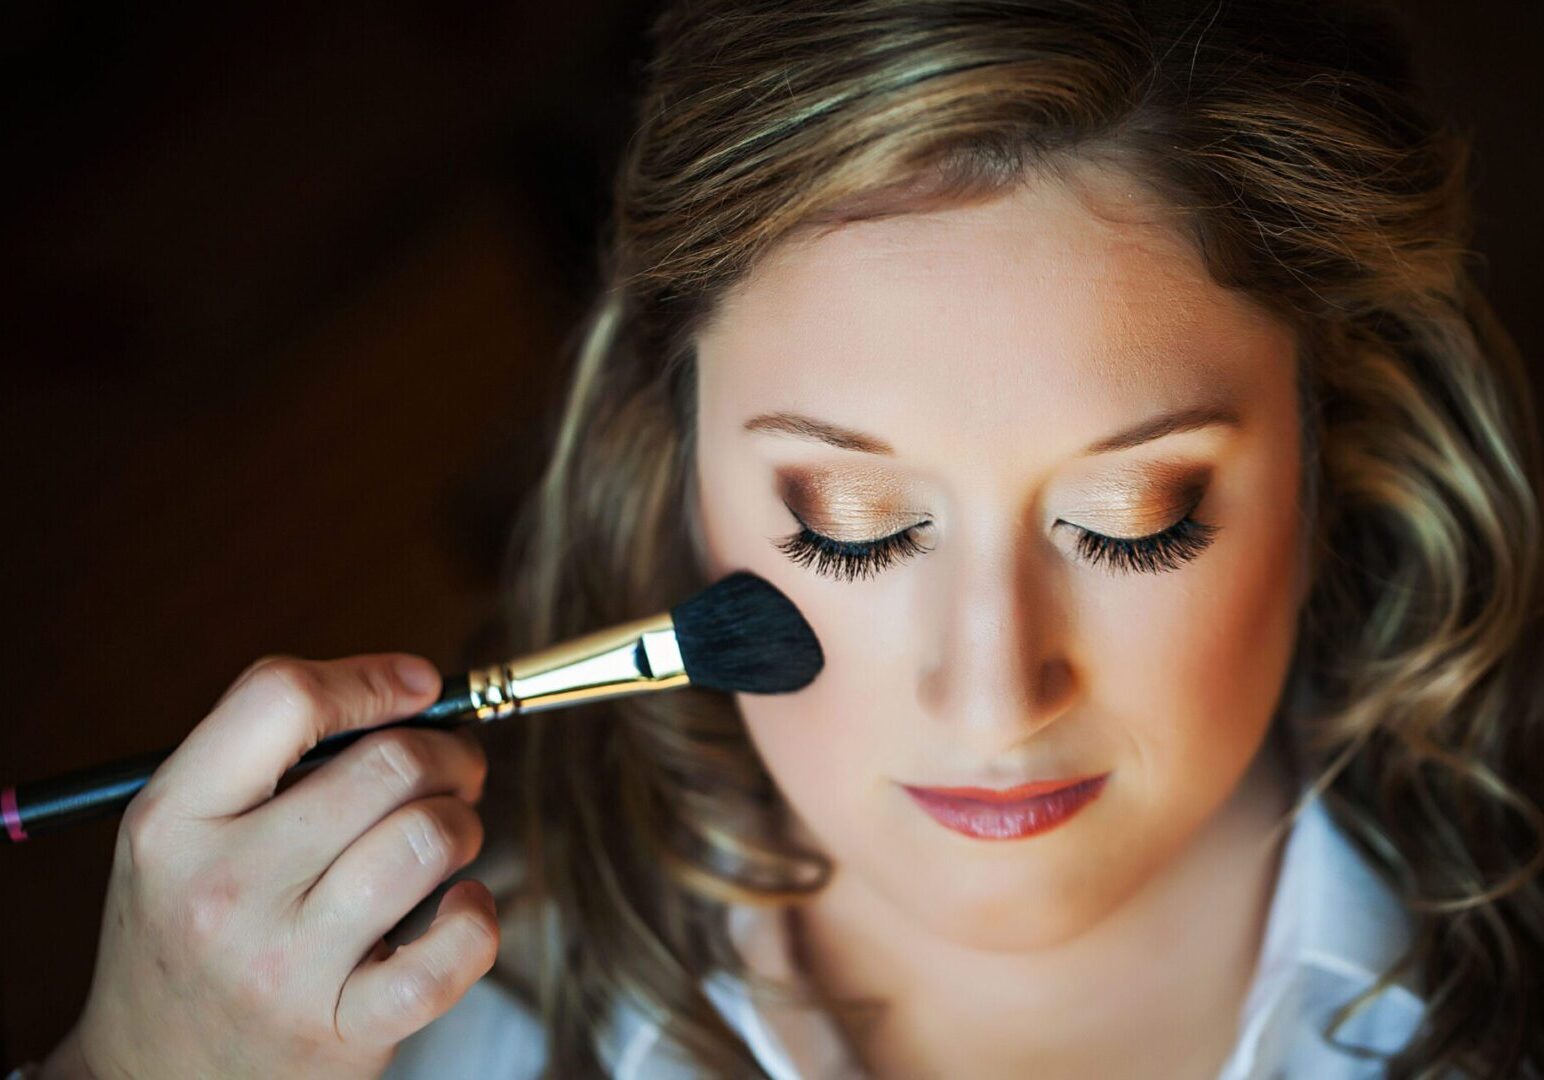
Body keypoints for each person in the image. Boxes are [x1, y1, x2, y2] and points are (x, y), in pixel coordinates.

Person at [18, 0, 1543, 1076]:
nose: (994, 693)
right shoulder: (412, 1024)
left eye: (1131, 521)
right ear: (675, 467)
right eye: (856, 527)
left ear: (1342, 455)